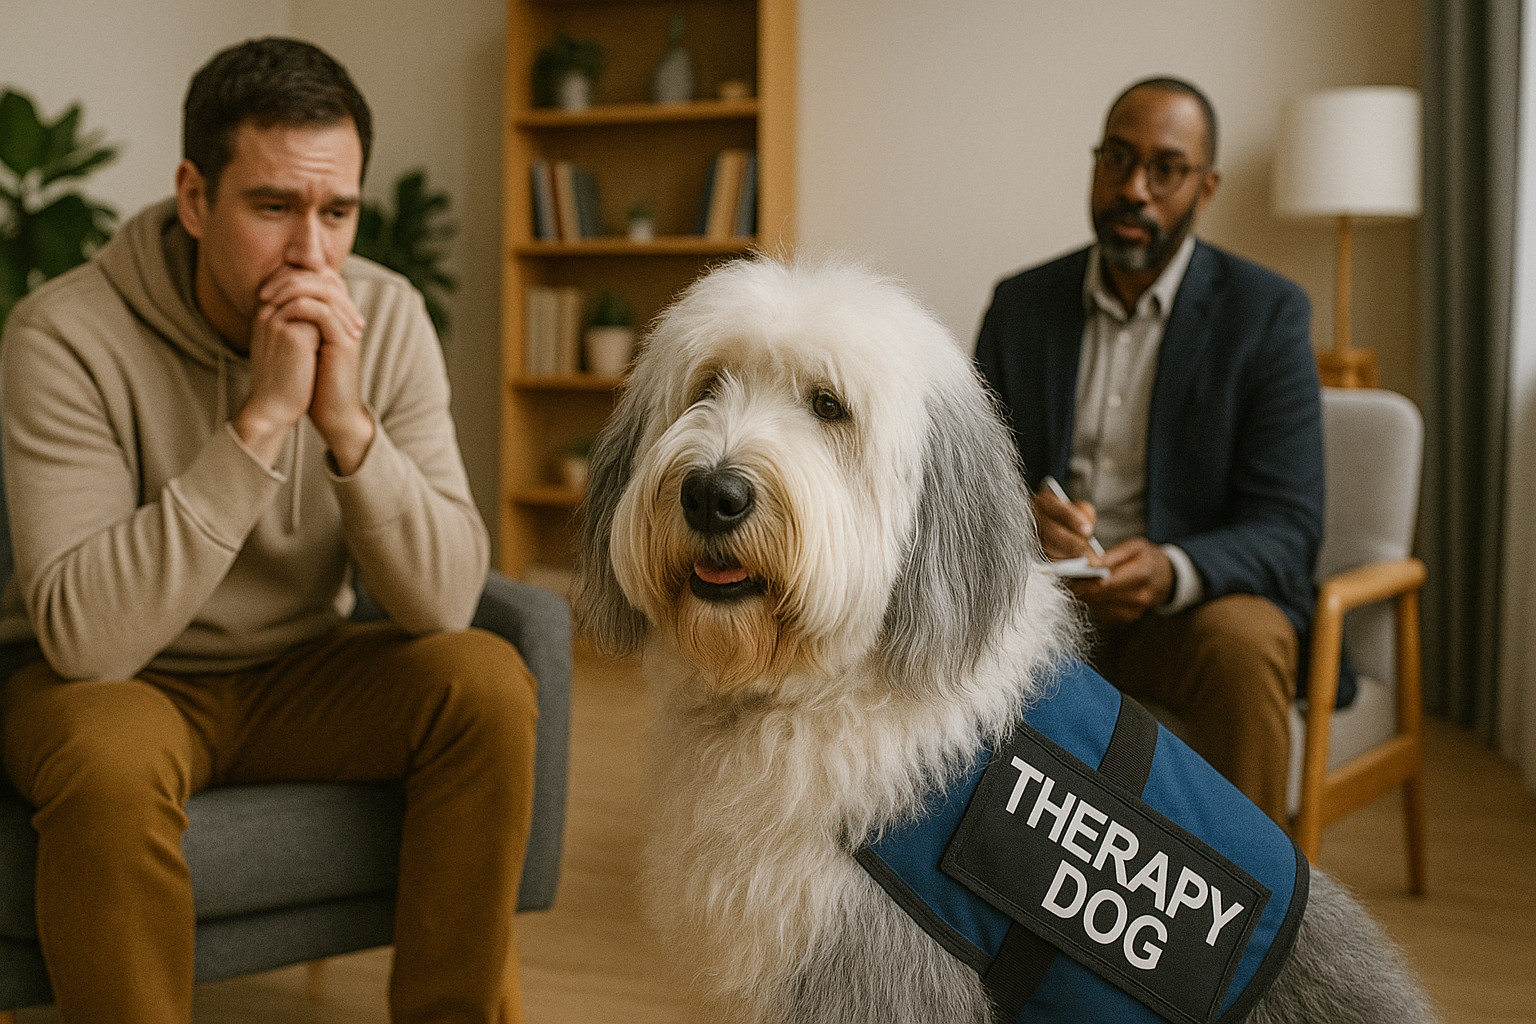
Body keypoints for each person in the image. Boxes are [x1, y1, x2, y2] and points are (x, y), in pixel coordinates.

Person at [0, 38, 537, 1024]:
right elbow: (85, 638)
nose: (312, 255)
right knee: (110, 758)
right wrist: (258, 424)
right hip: (117, 684)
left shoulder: (388, 314)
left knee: (488, 683)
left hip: (301, 669)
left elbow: (445, 600)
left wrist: (345, 426)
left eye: (337, 212)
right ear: (196, 198)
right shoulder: (62, 334)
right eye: (274, 208)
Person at [975, 76, 1328, 825]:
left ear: (1206, 188)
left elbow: (1288, 527)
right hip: (1050, 600)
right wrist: (1024, 524)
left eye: (1165, 169)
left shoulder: (1266, 316)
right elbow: (969, 486)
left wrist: (1172, 570)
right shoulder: (1021, 305)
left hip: (1187, 613)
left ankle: (1251, 920)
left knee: (1248, 644)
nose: (1134, 188)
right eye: (1117, 159)